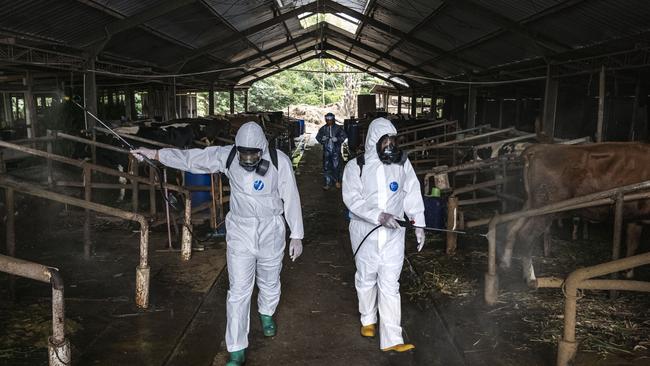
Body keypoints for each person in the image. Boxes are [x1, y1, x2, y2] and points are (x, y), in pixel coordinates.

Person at [131, 122, 304, 366]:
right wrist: (156, 155)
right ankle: (236, 349)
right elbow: (192, 159)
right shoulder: (228, 155)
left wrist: (296, 234)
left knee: (269, 279)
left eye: (252, 154)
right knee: (238, 291)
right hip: (241, 230)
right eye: (244, 153)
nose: (247, 159)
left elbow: (291, 196)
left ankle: (266, 313)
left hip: (271, 229)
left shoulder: (279, 161)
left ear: (262, 150)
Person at [342, 117, 426, 353]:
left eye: (392, 140)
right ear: (373, 141)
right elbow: (352, 199)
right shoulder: (356, 166)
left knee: (390, 283)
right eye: (384, 141)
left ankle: (392, 338)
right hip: (365, 232)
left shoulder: (402, 164)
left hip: (394, 233)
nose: (389, 145)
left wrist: (418, 223)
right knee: (367, 277)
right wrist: (377, 215)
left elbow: (412, 193)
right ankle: (368, 319)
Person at [316, 112, 347, 190]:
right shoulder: (323, 128)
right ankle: (327, 183)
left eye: (330, 119)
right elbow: (318, 137)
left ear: (333, 119)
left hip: (335, 150)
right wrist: (322, 139)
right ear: (326, 120)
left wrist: (338, 139)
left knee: (336, 166)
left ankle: (337, 181)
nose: (329, 121)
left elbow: (344, 136)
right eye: (327, 119)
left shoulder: (338, 128)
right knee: (326, 166)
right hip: (326, 151)